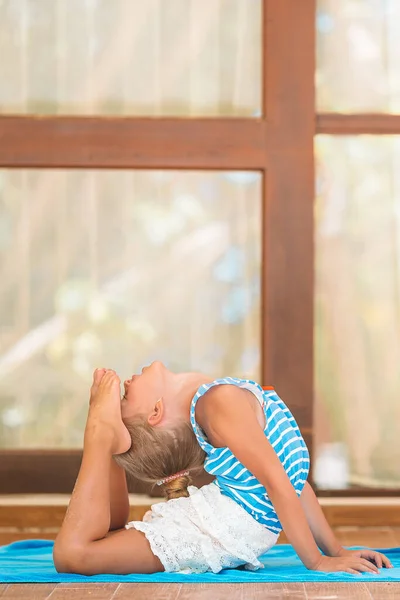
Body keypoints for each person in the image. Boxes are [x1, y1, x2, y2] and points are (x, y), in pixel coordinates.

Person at [53, 362, 393, 575]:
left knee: (80, 553)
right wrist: (323, 558)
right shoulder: (218, 402)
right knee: (83, 552)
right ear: (156, 412)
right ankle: (101, 434)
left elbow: (290, 485)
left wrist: (331, 555)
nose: (126, 381)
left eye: (122, 397)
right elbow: (286, 485)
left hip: (223, 528)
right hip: (224, 526)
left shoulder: (217, 401)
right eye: (126, 398)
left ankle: (105, 435)